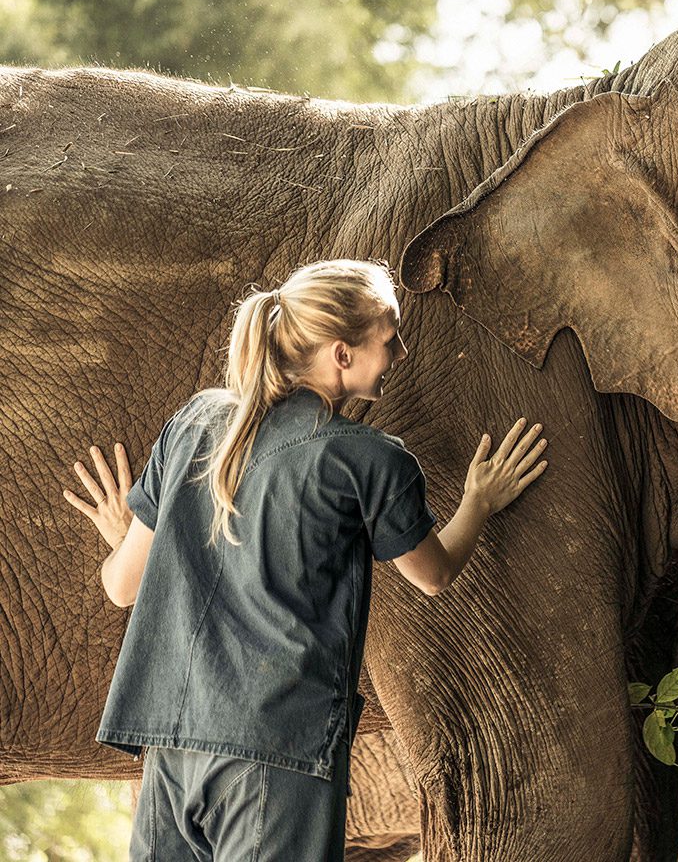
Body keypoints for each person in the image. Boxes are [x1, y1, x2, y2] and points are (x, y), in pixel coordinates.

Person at [63, 258, 548, 861]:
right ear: (342, 354)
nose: (398, 355)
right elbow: (433, 574)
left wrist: (130, 536)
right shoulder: (372, 460)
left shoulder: (194, 421)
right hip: (280, 752)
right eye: (389, 340)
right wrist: (479, 500)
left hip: (170, 748)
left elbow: (122, 586)